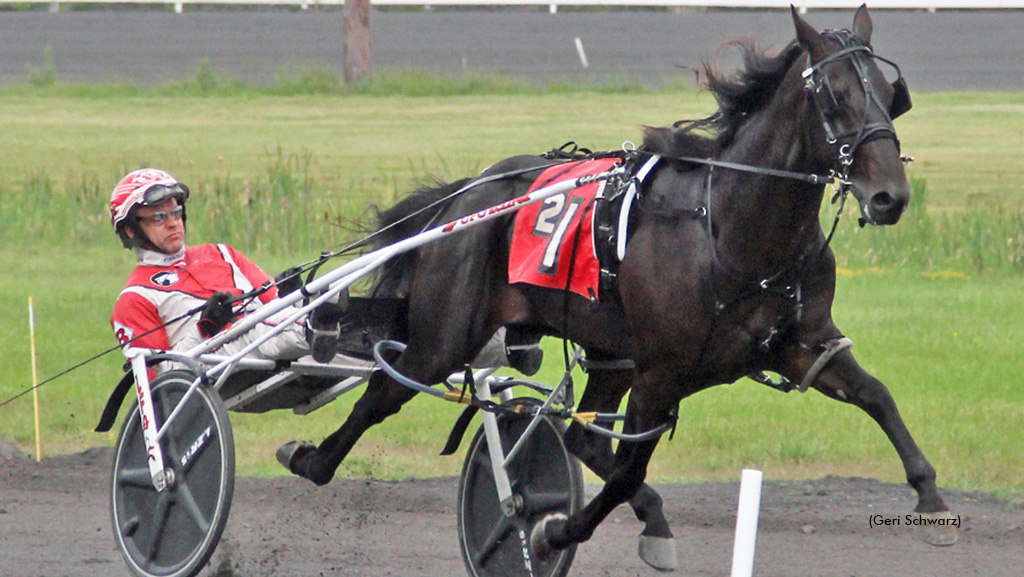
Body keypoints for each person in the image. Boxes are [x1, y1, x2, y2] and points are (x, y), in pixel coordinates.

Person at [108, 168, 340, 364]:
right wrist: (204, 330)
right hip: (213, 361)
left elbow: (275, 305)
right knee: (260, 328)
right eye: (159, 218)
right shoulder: (134, 298)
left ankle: (332, 323)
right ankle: (315, 324)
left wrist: (290, 295)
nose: (172, 223)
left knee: (298, 310)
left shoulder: (221, 253)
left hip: (267, 340)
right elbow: (160, 379)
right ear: (131, 230)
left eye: (176, 213)